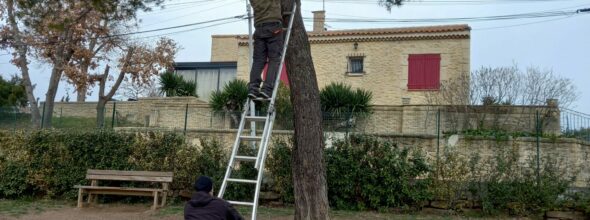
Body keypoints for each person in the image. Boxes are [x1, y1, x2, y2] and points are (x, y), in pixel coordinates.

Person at [247, 0, 284, 99]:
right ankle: (267, 90)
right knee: (274, 59)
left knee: (258, 60)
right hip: (273, 25)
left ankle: (253, 88)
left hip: (259, 27)